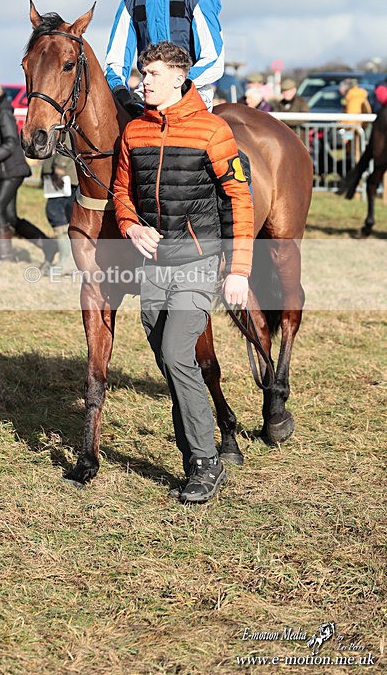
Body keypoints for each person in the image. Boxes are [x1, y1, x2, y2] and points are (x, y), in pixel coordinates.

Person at [113, 41, 254, 504]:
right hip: (154, 266)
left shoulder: (213, 132)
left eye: (151, 74)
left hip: (197, 263)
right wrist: (131, 225)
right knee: (170, 361)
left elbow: (239, 200)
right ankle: (197, 447)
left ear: (178, 77)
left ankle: (205, 462)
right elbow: (120, 191)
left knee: (177, 355)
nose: (143, 82)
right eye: (142, 74)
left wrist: (238, 271)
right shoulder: (133, 131)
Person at [0, 79, 57, 266]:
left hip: (12, 170)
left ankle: (6, 257)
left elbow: (11, 143)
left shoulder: (2, 113)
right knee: (10, 217)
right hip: (1, 171)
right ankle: (48, 245)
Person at [41, 148, 78, 273]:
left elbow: (67, 141)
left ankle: (67, 261)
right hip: (60, 174)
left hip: (64, 176)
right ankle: (67, 260)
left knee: (56, 213)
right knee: (62, 216)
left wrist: (59, 166)